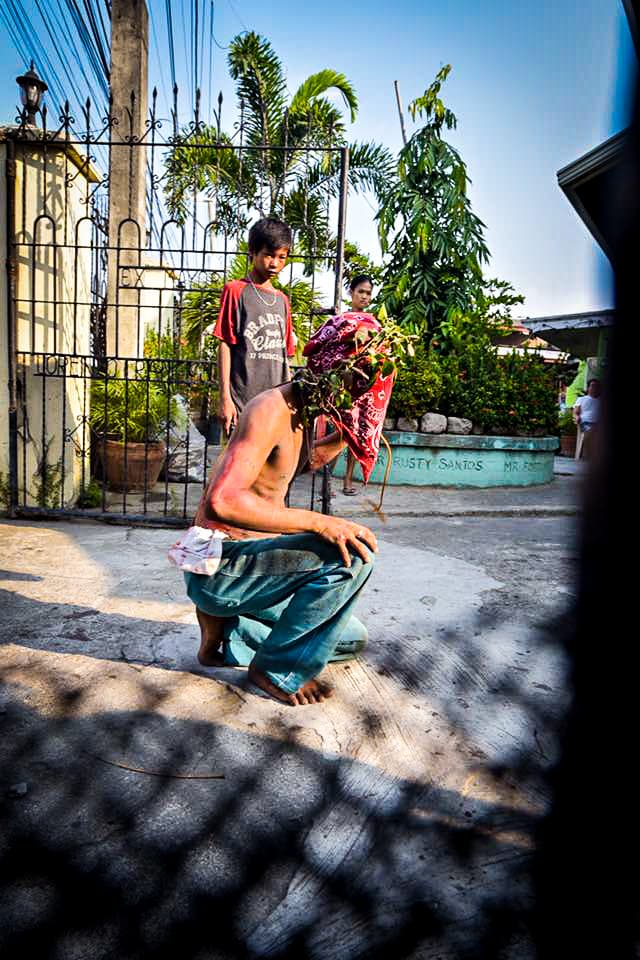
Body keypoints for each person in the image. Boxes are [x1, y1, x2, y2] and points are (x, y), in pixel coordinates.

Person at [172, 313, 395, 706]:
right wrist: (319, 522)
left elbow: (298, 462)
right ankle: (274, 669)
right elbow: (222, 500)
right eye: (356, 384)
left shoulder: (306, 413)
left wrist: (350, 433)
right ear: (332, 370)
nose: (360, 394)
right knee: (353, 557)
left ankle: (227, 634)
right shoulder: (270, 409)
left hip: (250, 568)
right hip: (221, 566)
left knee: (348, 637)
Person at [214, 218, 296, 436]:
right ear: (252, 252)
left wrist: (289, 404)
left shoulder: (282, 301)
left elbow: (285, 357)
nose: (274, 264)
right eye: (269, 255)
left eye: (282, 257)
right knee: (238, 468)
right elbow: (224, 344)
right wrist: (225, 399)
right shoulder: (236, 291)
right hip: (242, 405)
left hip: (275, 406)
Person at [342, 274, 375, 495]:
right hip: (341, 383)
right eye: (360, 292)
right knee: (340, 431)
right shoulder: (341, 320)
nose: (364, 296)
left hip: (362, 385)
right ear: (351, 293)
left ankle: (347, 481)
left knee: (356, 433)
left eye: (368, 293)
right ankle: (325, 478)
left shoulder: (373, 323)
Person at [573, 378, 602, 460]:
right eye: (592, 386)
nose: (594, 388)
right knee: (593, 431)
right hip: (585, 423)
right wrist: (576, 417)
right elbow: (575, 412)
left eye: (597, 386)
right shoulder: (581, 399)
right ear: (588, 388)